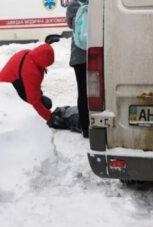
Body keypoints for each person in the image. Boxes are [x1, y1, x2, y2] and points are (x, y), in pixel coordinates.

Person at [0, 44, 59, 123]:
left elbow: (33, 88)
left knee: (45, 102)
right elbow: (34, 101)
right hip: (7, 96)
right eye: (47, 64)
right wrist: (50, 118)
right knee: (46, 104)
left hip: (0, 87)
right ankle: (20, 113)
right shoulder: (31, 71)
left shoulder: (27, 53)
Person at [66, 0, 89, 138]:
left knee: (82, 91)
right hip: (96, 52)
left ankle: (85, 127)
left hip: (78, 56)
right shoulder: (97, 4)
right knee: (98, 90)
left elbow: (70, 25)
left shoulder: (73, 5)